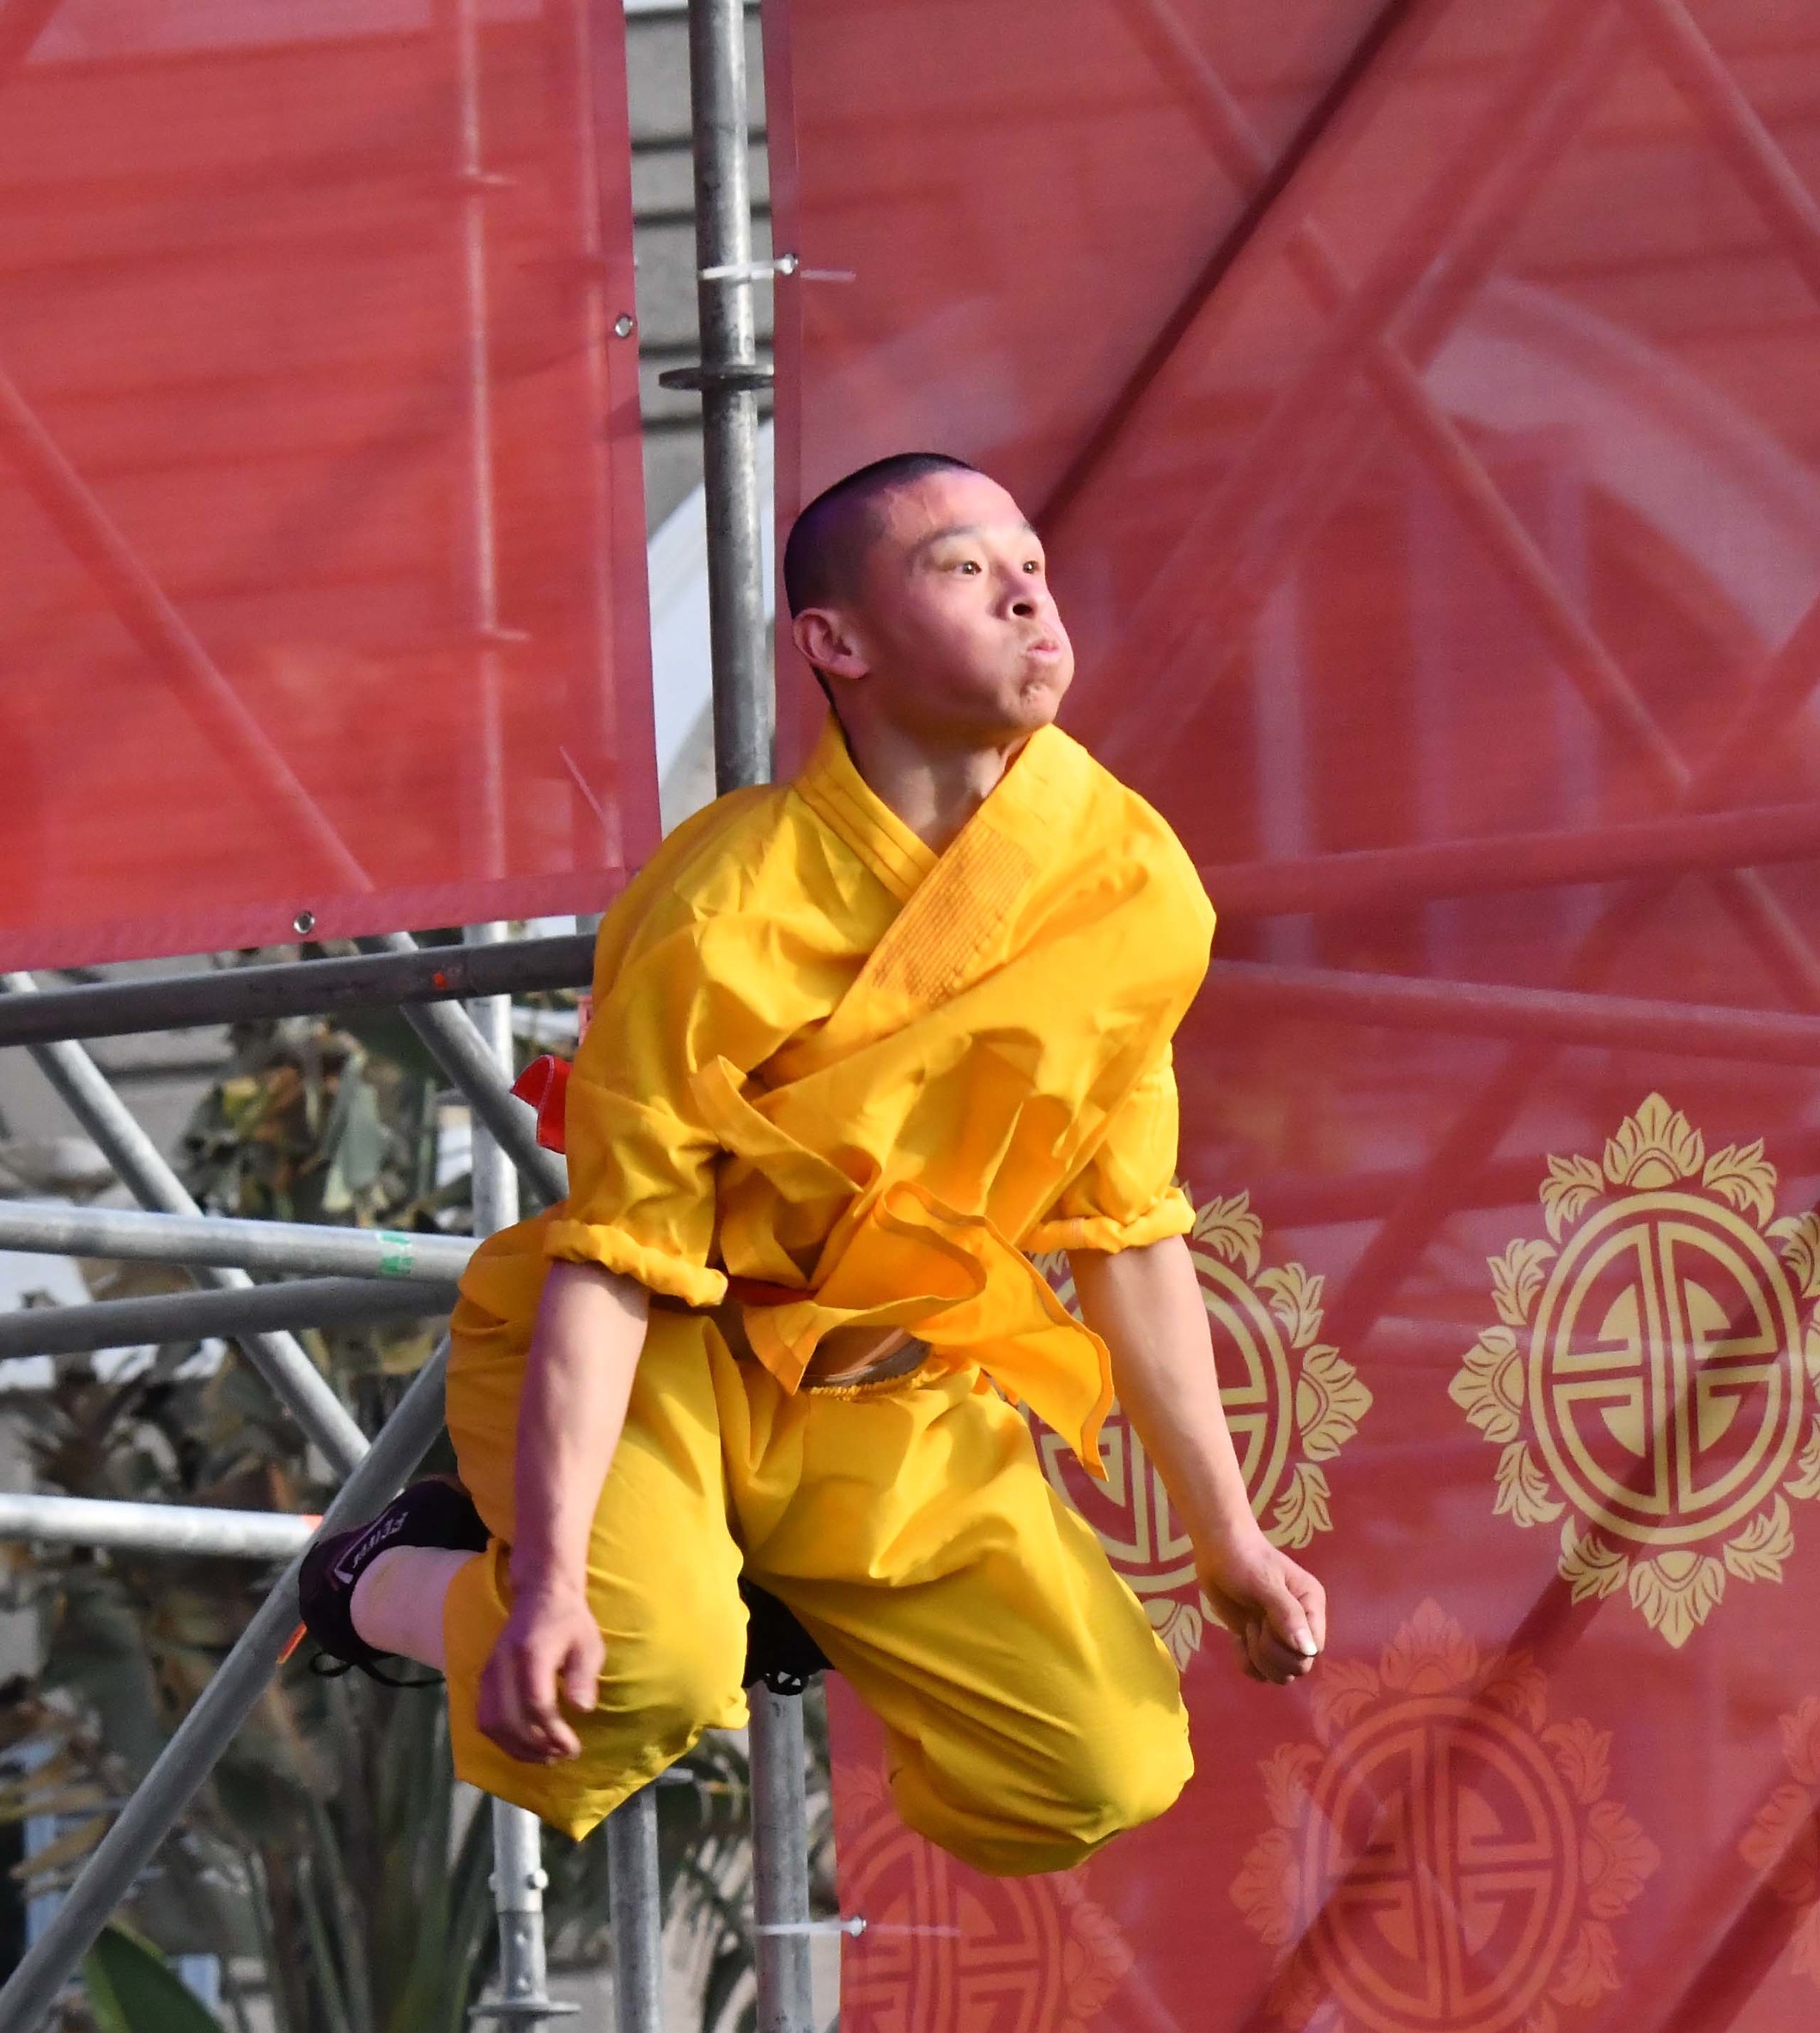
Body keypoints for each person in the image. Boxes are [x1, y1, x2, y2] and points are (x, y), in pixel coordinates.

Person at [300, 452, 1325, 1876]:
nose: (1027, 588)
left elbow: (1129, 1231)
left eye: (1030, 559)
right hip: (678, 1351)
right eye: (964, 568)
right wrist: (539, 1580)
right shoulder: (727, 898)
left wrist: (1229, 1540)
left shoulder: (1133, 887)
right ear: (836, 645)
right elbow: (619, 1261)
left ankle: (780, 1591)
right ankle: (377, 1579)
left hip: (891, 1400)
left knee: (1099, 1769)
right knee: (625, 1678)